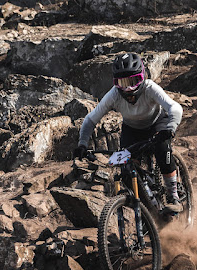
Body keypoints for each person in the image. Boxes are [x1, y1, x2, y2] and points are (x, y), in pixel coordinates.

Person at [73, 52, 183, 214]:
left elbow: (175, 107)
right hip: (132, 130)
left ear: (142, 77)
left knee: (162, 149)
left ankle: (173, 196)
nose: (128, 88)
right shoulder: (114, 95)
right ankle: (148, 210)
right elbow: (90, 120)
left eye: (133, 81)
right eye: (123, 82)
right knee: (126, 171)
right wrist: (82, 144)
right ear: (115, 83)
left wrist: (170, 128)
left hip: (157, 124)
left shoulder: (150, 88)